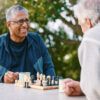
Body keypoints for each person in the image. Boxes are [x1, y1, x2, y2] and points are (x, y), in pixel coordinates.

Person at [0, 5, 55, 83]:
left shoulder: (37, 40)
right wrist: (2, 79)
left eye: (27, 20)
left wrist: (51, 86)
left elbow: (48, 67)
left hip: (35, 92)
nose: (25, 25)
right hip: (6, 93)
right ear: (9, 24)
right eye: (20, 21)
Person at [63, 0, 100, 99]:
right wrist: (84, 87)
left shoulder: (91, 36)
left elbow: (94, 91)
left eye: (80, 25)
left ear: (88, 22)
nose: (83, 31)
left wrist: (88, 88)